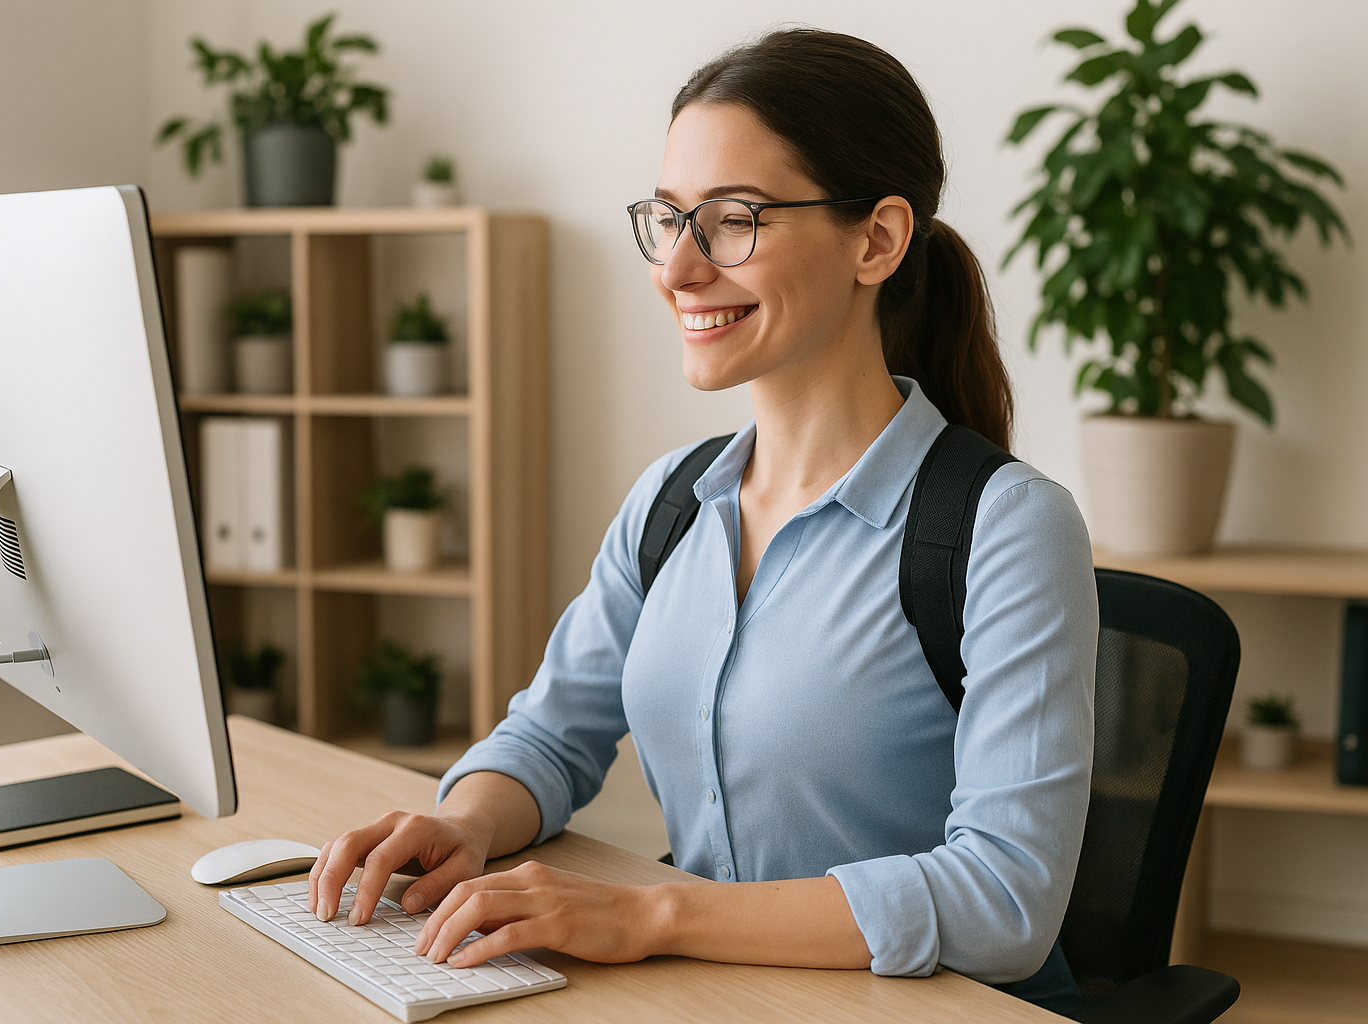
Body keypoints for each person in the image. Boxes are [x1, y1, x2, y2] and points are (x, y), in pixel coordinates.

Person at [309, 28, 1097, 1012]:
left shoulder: (1008, 528)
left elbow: (1006, 899)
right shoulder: (672, 504)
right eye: (669, 218)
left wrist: (652, 916)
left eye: (733, 221)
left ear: (878, 240)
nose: (677, 270)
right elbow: (550, 736)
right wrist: (467, 824)